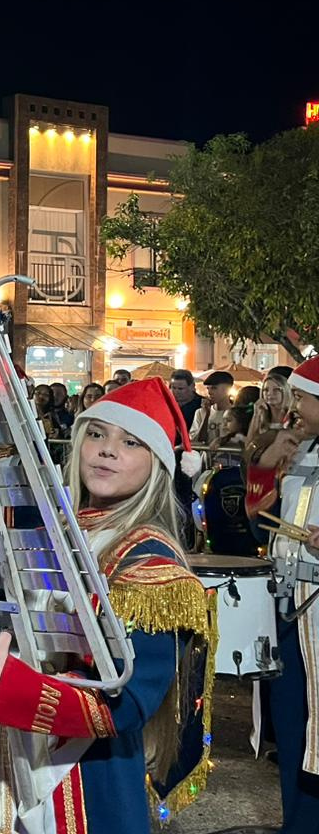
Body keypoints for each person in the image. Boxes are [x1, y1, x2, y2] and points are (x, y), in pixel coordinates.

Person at [0, 377, 213, 831]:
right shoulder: (57, 532)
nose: (106, 450)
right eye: (96, 434)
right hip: (18, 751)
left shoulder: (151, 561)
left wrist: (10, 685)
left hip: (90, 777)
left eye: (131, 442)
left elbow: (132, 700)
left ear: (158, 464)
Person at [254, 357, 319, 834]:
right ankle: (297, 820)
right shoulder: (303, 447)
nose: (293, 407)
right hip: (289, 600)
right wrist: (271, 464)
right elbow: (259, 514)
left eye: (301, 398)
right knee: (291, 716)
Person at [191, 370, 235, 445]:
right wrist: (206, 416)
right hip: (207, 456)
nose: (209, 392)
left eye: (214, 388)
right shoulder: (200, 412)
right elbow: (196, 440)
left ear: (227, 389)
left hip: (229, 456)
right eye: (208, 388)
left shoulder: (236, 413)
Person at [168, 368, 203, 434]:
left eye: (180, 389)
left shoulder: (203, 405)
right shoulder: (167, 405)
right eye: (173, 388)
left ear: (192, 387)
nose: (176, 392)